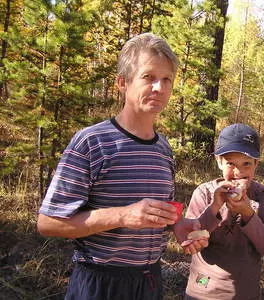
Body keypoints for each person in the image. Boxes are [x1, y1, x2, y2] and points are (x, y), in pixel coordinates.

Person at [36, 32, 208, 300]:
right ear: (122, 83)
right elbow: (49, 223)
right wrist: (123, 215)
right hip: (99, 282)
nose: (159, 88)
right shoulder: (91, 142)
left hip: (149, 281)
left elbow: (153, 217)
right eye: (148, 77)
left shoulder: (163, 149)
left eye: (166, 80)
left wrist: (178, 226)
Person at [183, 123, 264, 300]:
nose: (238, 172)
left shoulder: (263, 196)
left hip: (245, 293)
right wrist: (214, 207)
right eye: (230, 163)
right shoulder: (204, 193)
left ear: (256, 164)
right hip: (204, 291)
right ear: (219, 162)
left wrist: (248, 213)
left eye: (246, 164)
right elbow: (190, 240)